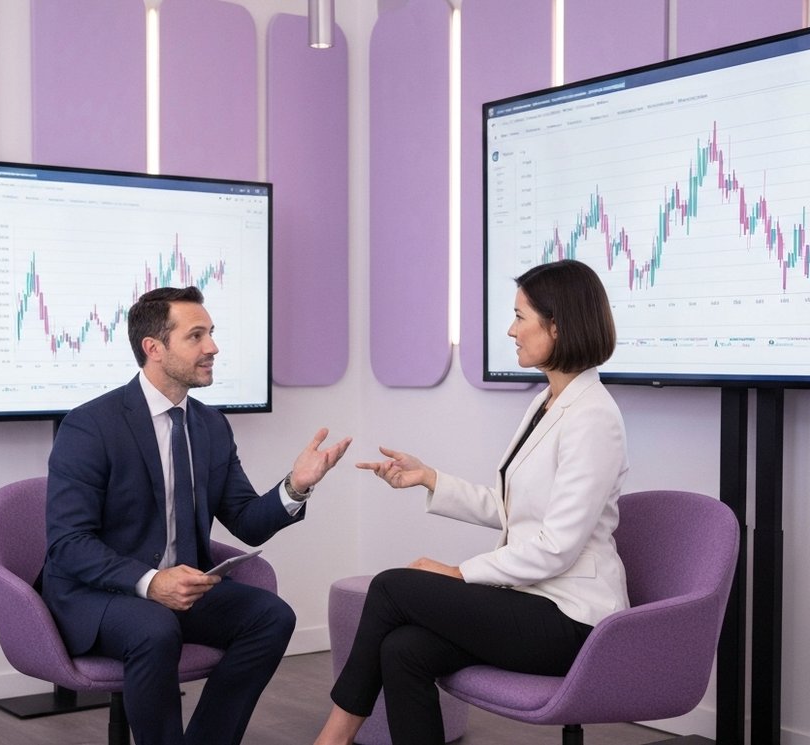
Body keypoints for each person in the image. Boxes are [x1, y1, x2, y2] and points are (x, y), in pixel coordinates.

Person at [313, 259, 630, 745]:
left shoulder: (593, 418)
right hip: (533, 603)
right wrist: (429, 479)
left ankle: (332, 739)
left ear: (558, 324)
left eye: (521, 317)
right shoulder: (547, 403)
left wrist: (459, 572)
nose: (511, 330)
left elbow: (558, 547)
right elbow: (514, 508)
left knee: (394, 587)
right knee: (403, 649)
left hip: (571, 620)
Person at [43, 285, 352, 745]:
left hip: (181, 589)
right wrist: (151, 582)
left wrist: (296, 485)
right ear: (154, 348)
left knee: (272, 617)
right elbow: (68, 544)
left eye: (211, 333)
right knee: (154, 627)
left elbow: (246, 519)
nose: (213, 347)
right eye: (196, 336)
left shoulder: (210, 424)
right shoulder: (90, 426)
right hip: (99, 595)